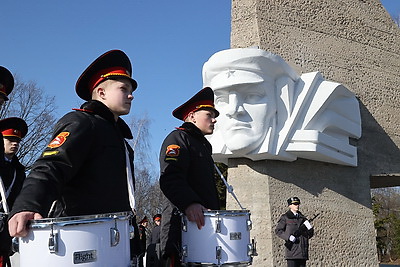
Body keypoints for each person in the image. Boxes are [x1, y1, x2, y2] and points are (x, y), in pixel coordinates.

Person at [7, 50, 141, 258]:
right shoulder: (83, 123)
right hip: (78, 243)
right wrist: (28, 205)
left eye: (131, 90)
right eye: (123, 88)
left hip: (112, 243)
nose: (131, 95)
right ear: (101, 92)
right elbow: (51, 166)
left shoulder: (121, 141)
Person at [159, 87, 221, 267]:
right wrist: (189, 203)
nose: (214, 119)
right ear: (192, 116)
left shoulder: (202, 145)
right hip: (181, 229)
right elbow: (170, 177)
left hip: (202, 229)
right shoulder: (178, 138)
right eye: (209, 114)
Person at [0, 117, 28, 267]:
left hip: (4, 234)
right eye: (10, 139)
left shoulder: (19, 171)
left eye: (17, 140)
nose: (15, 143)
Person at [275, 197, 314, 267]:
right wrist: (288, 237)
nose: (297, 205)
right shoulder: (285, 217)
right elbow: (278, 231)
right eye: (295, 204)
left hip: (302, 252)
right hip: (292, 252)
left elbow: (309, 235)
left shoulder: (303, 218)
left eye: (298, 204)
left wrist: (310, 229)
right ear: (290, 205)